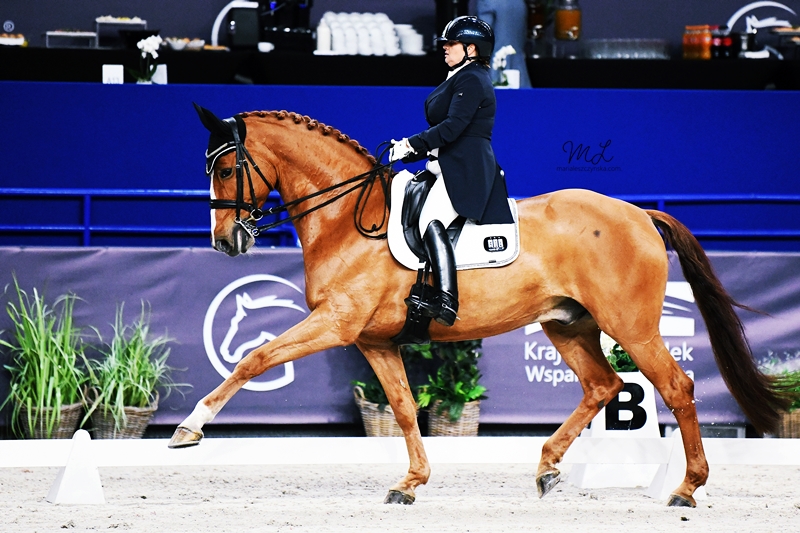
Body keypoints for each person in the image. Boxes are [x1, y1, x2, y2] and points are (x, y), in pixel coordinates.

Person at [390, 15, 514, 329]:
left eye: (452, 43)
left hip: (465, 169)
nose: (445, 48)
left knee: (429, 220)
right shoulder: (460, 76)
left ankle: (446, 300)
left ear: (472, 48)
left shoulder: (472, 78)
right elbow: (448, 133)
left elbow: (453, 127)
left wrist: (412, 143)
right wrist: (415, 151)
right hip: (447, 165)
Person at [477, 0, 532, 88]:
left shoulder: (487, 2)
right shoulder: (520, 2)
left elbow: (483, 38)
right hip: (519, 69)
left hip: (496, 68)